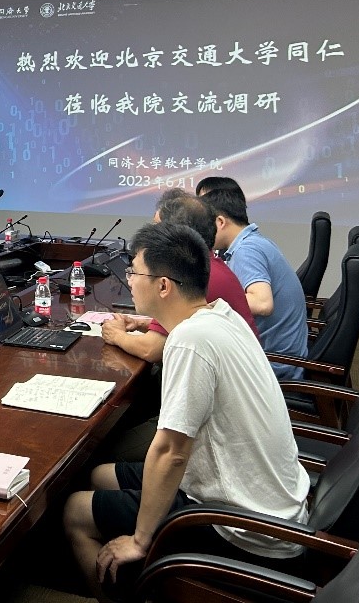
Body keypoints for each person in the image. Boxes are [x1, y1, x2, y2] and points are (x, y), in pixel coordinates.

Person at [64, 222, 310, 600]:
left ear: (163, 286)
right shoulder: (220, 314)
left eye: (134, 272)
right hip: (266, 502)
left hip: (244, 527)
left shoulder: (189, 341)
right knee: (98, 475)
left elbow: (172, 452)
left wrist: (141, 539)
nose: (129, 281)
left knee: (75, 510)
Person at [102, 190, 258, 363]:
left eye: (158, 229)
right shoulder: (205, 264)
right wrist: (142, 324)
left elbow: (151, 350)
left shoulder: (195, 276)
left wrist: (116, 335)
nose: (151, 236)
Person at [200, 182, 308, 379]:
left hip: (274, 365)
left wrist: (205, 305)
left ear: (220, 222)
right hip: (280, 356)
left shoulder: (246, 251)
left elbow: (262, 303)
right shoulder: (254, 242)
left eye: (206, 226)